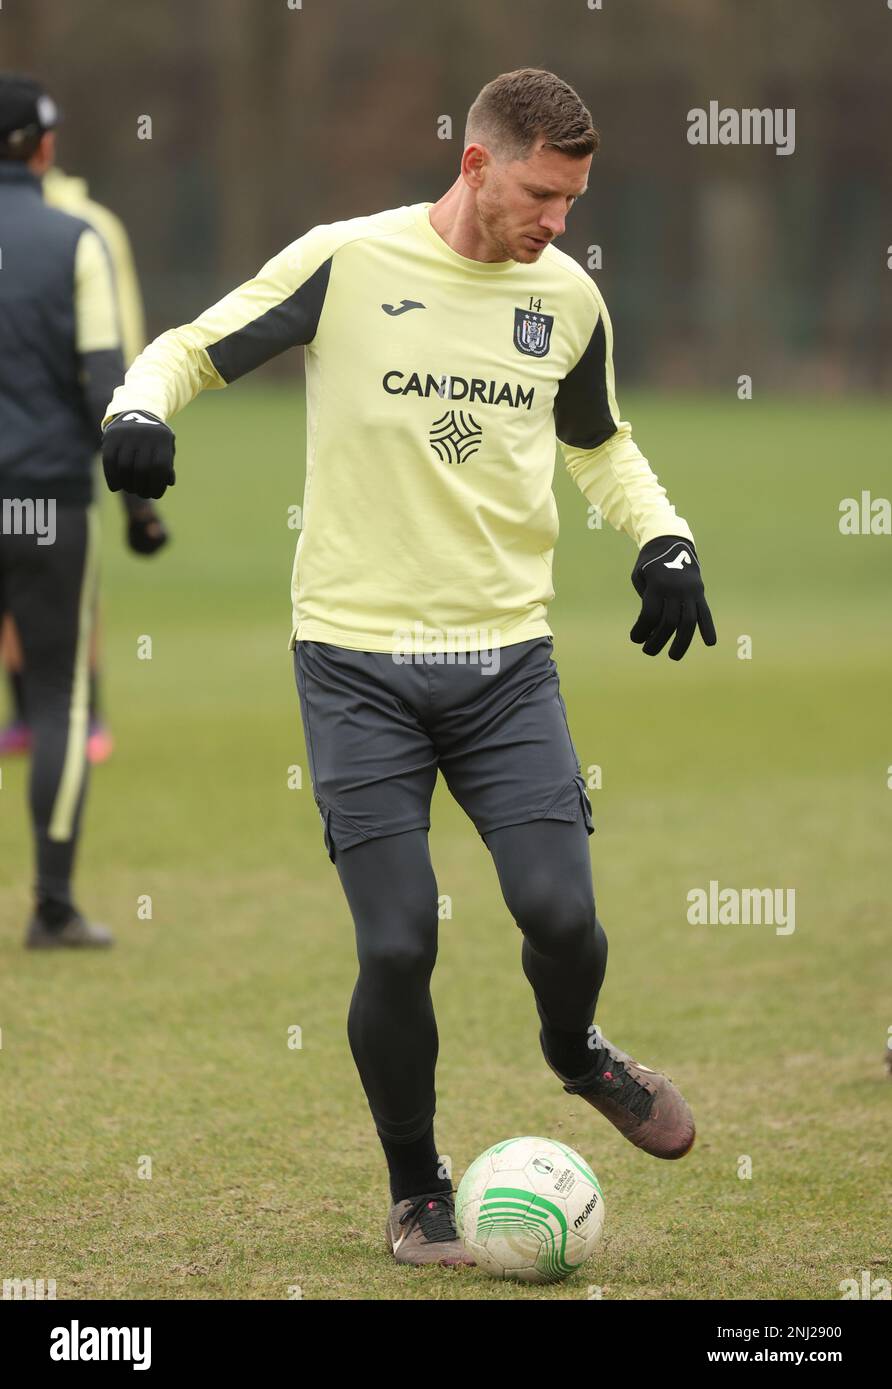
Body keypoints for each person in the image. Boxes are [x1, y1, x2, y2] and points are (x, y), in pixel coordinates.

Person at [100, 68, 716, 1263]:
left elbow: (601, 445)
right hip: (354, 664)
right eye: (542, 193)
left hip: (505, 665)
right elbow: (191, 346)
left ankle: (576, 1050)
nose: (559, 221)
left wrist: (664, 537)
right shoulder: (349, 260)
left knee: (563, 916)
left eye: (576, 200)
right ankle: (416, 1185)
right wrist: (138, 410)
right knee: (395, 944)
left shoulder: (568, 299)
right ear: (477, 164)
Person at [0, 73, 162, 947]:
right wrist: (138, 505)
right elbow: (107, 382)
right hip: (40, 506)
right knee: (59, 698)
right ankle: (52, 905)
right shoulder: (77, 240)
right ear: (46, 147)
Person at [0, 139, 168, 764]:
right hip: (39, 447)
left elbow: (113, 334)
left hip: (55, 435)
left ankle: (83, 711)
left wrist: (125, 410)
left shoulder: (90, 225)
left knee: (65, 587)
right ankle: (32, 713)